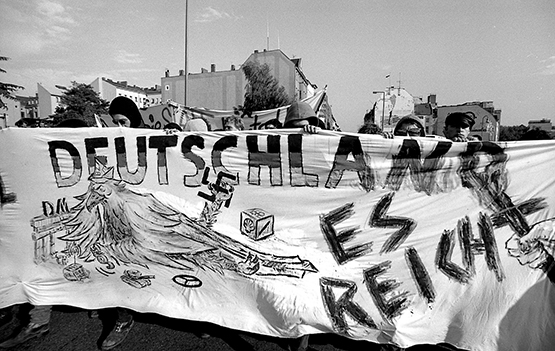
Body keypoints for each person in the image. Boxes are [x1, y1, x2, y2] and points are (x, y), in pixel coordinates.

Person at [0, 117, 91, 349]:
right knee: (40, 267)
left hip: (83, 229)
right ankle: (37, 321)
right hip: (53, 225)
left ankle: (99, 304)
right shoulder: (44, 162)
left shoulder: (95, 165)